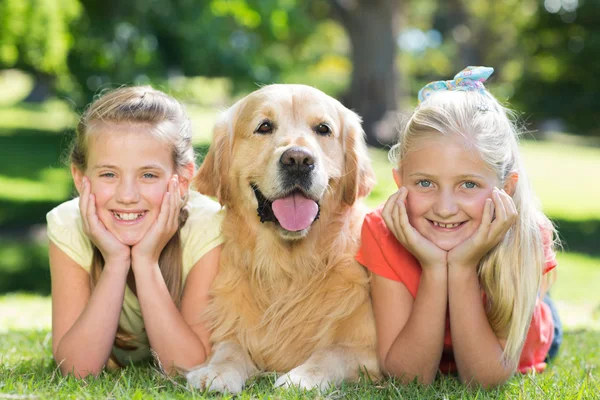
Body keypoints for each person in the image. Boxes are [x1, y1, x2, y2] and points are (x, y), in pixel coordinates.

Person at [356, 67, 561, 388]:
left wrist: (463, 268)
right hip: (439, 347)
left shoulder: (526, 232)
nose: (445, 207)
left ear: (505, 189)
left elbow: (485, 380)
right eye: (425, 183)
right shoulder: (381, 230)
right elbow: (408, 378)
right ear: (399, 184)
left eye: (468, 184)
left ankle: (542, 302)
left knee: (541, 310)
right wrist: (436, 269)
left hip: (524, 338)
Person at [47, 86, 224, 378]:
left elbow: (189, 366)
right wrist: (116, 261)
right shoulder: (68, 224)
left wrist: (145, 261)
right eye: (108, 174)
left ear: (181, 181)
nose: (127, 195)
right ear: (80, 179)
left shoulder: (208, 226)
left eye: (148, 175)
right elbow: (77, 369)